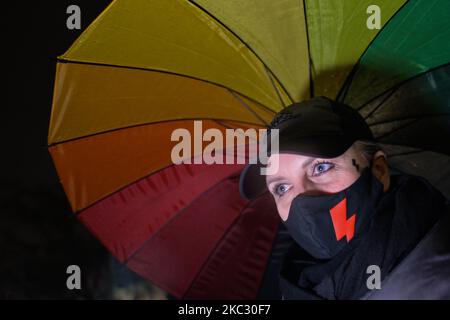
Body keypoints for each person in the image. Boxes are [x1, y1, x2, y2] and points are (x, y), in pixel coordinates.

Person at [239, 97, 450, 300]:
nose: (303, 200)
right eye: (282, 188)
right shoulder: (297, 282)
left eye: (321, 167)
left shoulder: (441, 275)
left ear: (379, 170)